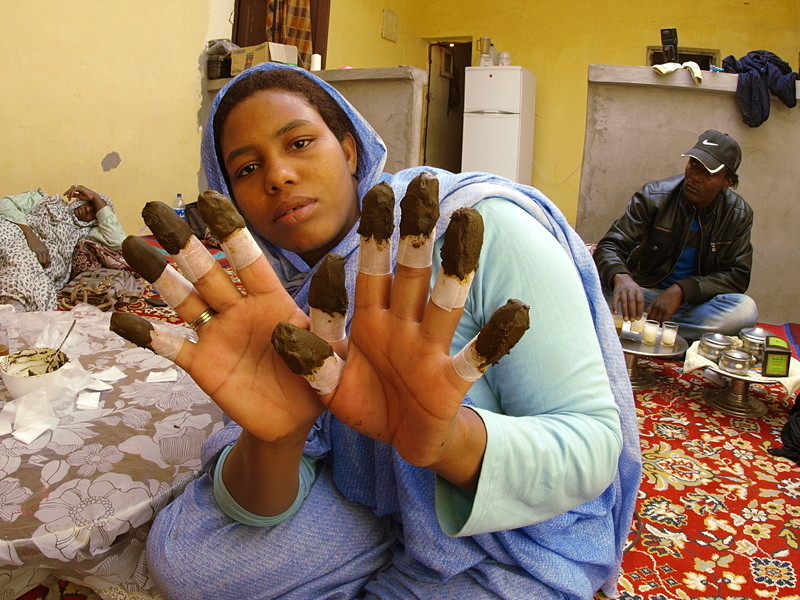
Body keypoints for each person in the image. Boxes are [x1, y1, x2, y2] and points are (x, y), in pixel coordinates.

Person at [138, 63, 640, 600]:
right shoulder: (275, 296)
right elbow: (263, 494)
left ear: (349, 151)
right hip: (375, 501)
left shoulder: (474, 228)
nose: (277, 176)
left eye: (300, 143)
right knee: (186, 560)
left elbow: (590, 447)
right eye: (246, 168)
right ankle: (393, 529)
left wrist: (446, 440)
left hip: (512, 531)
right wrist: (277, 438)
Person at [593, 129, 758, 342]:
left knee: (745, 311)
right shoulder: (653, 197)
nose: (695, 177)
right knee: (590, 292)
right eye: (693, 165)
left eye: (708, 173)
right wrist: (622, 277)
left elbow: (737, 275)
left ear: (727, 181)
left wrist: (683, 290)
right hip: (645, 296)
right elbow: (610, 246)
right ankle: (668, 333)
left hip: (695, 305)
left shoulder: (738, 214)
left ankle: (641, 328)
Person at [0, 185, 126, 312]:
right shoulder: (44, 200)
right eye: (88, 203)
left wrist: (95, 197)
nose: (87, 209)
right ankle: (13, 308)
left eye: (94, 212)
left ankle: (13, 307)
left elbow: (117, 241)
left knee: (24, 264)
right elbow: (5, 204)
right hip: (16, 243)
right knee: (8, 229)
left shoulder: (86, 232)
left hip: (38, 266)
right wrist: (32, 237)